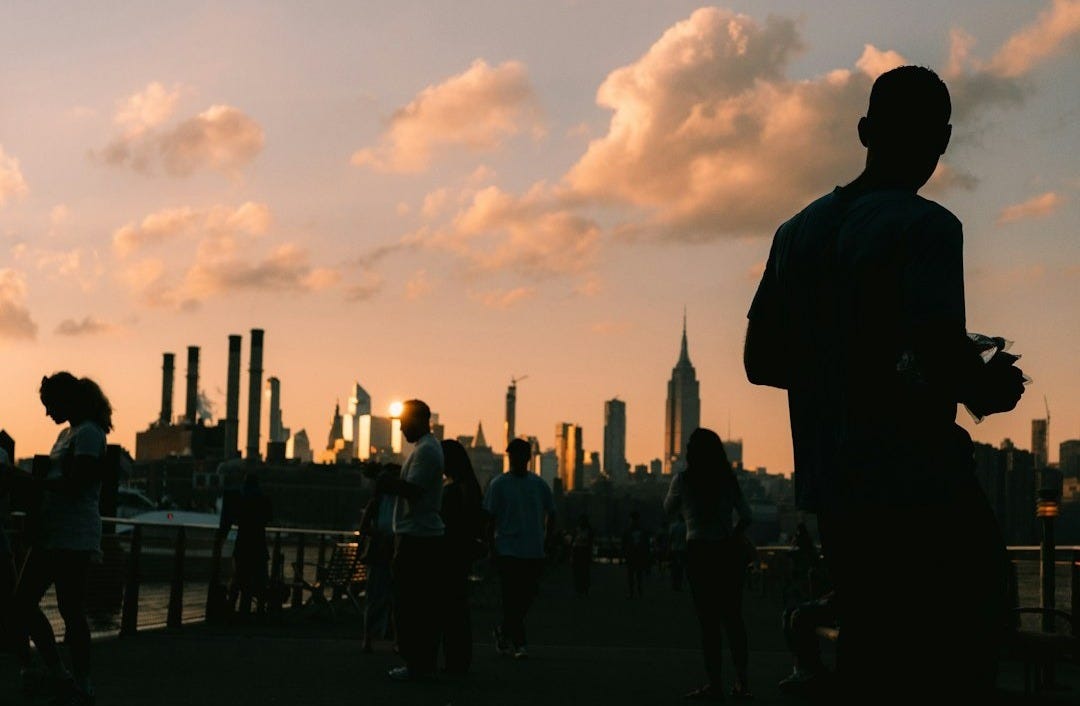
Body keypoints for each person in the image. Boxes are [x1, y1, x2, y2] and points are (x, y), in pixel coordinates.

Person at [744, 65, 1026, 700]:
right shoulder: (927, 227)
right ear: (945, 141)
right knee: (978, 613)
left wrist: (839, 365)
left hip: (831, 480)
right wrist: (986, 389)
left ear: (865, 130)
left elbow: (760, 361)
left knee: (873, 637)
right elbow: (939, 353)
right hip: (915, 472)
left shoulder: (794, 234)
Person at [12, 373, 111, 706]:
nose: (47, 413)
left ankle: (74, 678)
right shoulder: (68, 434)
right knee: (26, 603)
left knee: (65, 608)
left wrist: (30, 483)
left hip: (74, 534)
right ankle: (65, 675)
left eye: (49, 405)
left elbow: (78, 482)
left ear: (65, 400)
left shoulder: (89, 435)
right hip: (56, 533)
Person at [665, 428, 753, 701]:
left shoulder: (683, 480)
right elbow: (747, 516)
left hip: (699, 552)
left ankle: (714, 684)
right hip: (726, 552)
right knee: (733, 618)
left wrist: (688, 511)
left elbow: (668, 509)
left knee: (709, 623)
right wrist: (733, 537)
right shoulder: (728, 479)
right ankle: (741, 683)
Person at [376, 400, 445, 682]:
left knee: (410, 603)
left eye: (404, 421)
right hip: (420, 536)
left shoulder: (426, 451)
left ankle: (416, 664)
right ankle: (421, 662)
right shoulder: (425, 449)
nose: (401, 427)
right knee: (420, 604)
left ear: (419, 419)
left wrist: (384, 481)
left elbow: (414, 491)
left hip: (416, 537)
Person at [482, 438, 555, 660]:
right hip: (508, 548)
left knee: (527, 595)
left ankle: (503, 632)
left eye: (520, 455)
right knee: (512, 596)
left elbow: (552, 513)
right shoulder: (498, 484)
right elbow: (489, 518)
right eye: (513, 455)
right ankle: (519, 643)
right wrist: (492, 547)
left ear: (528, 458)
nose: (516, 460)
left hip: (533, 549)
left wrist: (547, 540)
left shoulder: (539, 484)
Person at [439, 439, 483, 674]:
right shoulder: (469, 485)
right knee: (456, 607)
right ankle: (457, 660)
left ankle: (455, 661)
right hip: (460, 554)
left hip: (451, 553)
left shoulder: (456, 487)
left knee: (451, 608)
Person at [358, 463, 399, 652]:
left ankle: (369, 638)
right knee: (392, 597)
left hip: (378, 552)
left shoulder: (376, 501)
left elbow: (364, 527)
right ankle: (393, 640)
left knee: (375, 597)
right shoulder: (399, 502)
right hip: (391, 552)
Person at [221, 472, 272, 620]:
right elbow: (269, 517)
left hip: (243, 544)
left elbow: (233, 517)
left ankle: (232, 609)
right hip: (259, 545)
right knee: (259, 580)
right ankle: (257, 611)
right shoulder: (264, 499)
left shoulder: (241, 499)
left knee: (239, 578)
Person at [621, 512, 650, 599]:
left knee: (634, 575)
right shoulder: (642, 531)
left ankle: (633, 592)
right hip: (636, 555)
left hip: (633, 555)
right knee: (637, 574)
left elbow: (624, 544)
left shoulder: (627, 531)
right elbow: (646, 544)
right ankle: (637, 591)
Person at [570, 514, 594, 597]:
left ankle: (583, 588)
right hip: (580, 551)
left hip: (582, 551)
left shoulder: (579, 530)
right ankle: (581, 588)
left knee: (583, 571)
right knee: (581, 571)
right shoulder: (583, 530)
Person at [668, 515, 688, 592]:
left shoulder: (673, 526)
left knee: (674, 568)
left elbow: (670, 538)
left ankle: (674, 584)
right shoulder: (685, 527)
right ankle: (679, 585)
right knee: (681, 568)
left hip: (674, 549)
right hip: (683, 549)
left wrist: (668, 548)